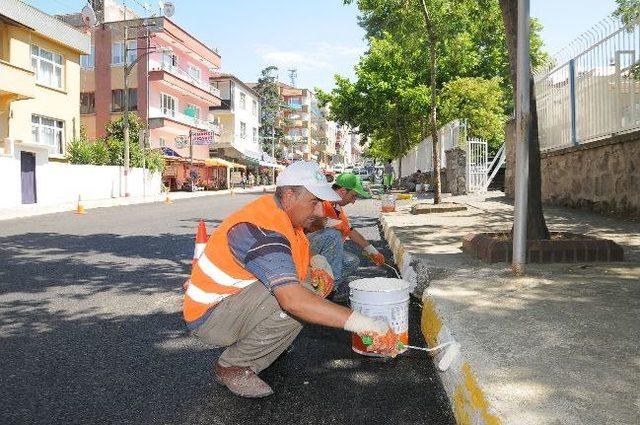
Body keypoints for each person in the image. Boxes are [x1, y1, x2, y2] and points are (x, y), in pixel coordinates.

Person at [183, 161, 399, 399]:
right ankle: (233, 366)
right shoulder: (263, 231)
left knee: (305, 292)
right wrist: (364, 324)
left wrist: (315, 264)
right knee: (298, 301)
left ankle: (266, 341)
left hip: (234, 301)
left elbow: (298, 252)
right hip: (211, 317)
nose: (320, 211)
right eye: (314, 202)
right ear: (288, 195)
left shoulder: (285, 217)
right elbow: (293, 300)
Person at [306, 173, 386, 301]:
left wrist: (372, 251)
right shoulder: (321, 199)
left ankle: (324, 289)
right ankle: (329, 294)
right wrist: (331, 223)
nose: (353, 201)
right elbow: (310, 221)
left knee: (351, 261)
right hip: (304, 247)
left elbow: (350, 231)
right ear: (342, 191)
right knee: (333, 235)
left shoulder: (337, 207)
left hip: (318, 247)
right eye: (353, 196)